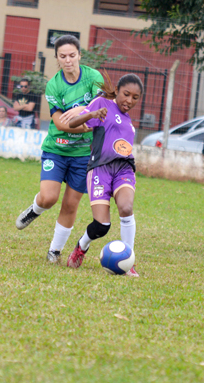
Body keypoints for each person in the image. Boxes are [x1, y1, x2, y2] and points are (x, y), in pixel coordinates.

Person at [14, 35, 104, 263]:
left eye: (72, 55)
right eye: (62, 56)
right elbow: (60, 123)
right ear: (57, 58)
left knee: (70, 204)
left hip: (84, 154)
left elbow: (102, 107)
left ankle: (54, 250)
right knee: (49, 198)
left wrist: (83, 109)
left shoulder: (94, 77)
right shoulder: (54, 84)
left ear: (80, 55)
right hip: (57, 148)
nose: (68, 60)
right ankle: (34, 209)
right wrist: (86, 125)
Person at [65, 73, 143, 277]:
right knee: (102, 225)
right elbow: (73, 125)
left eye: (135, 98)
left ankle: (129, 262)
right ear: (117, 90)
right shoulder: (102, 104)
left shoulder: (129, 123)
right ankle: (81, 247)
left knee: (126, 208)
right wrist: (90, 114)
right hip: (100, 168)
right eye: (126, 94)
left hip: (124, 169)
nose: (129, 100)